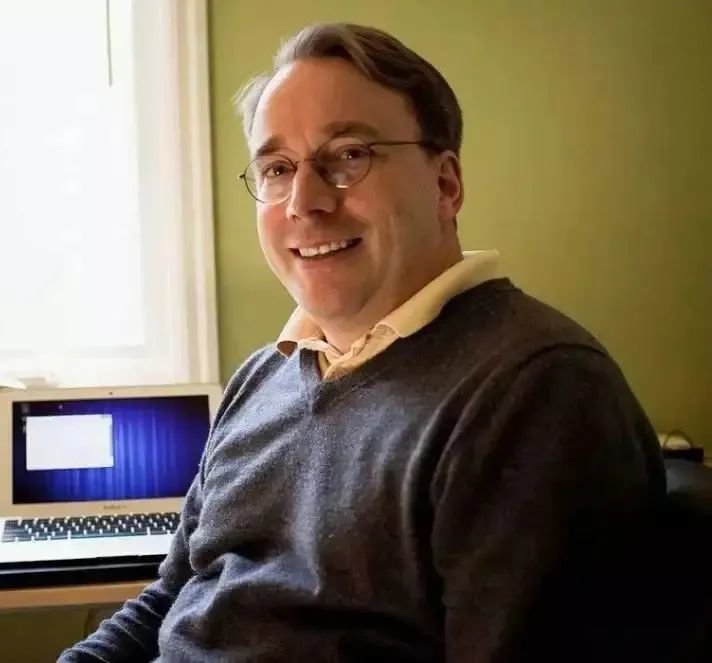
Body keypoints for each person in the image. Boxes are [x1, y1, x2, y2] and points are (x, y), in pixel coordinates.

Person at [60, 23, 664, 663]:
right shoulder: (263, 377)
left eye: (349, 155)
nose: (305, 201)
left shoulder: (537, 390)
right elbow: (172, 598)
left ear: (446, 185)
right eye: (277, 168)